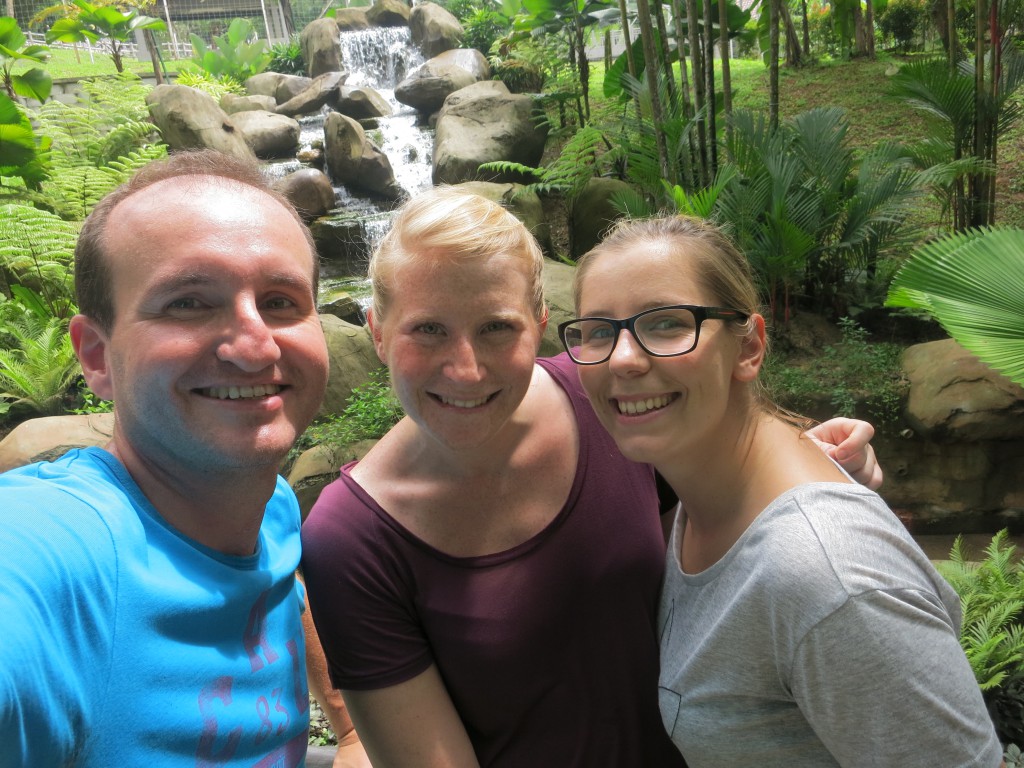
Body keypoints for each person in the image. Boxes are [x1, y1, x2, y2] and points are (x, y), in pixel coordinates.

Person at [300, 187, 881, 768]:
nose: (467, 369)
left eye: (497, 328)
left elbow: (747, 469)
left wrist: (827, 467)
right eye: (427, 330)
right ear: (377, 331)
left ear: (541, 322)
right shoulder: (352, 538)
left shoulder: (614, 397)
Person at [560, 214, 1003, 766]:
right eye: (598, 331)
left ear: (748, 347)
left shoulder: (826, 578)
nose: (623, 358)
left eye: (668, 323)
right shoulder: (703, 502)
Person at [0, 150, 349, 767]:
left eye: (281, 301)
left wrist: (348, 728)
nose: (254, 345)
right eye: (188, 302)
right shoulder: (60, 555)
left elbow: (287, 586)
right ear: (97, 356)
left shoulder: (271, 506)